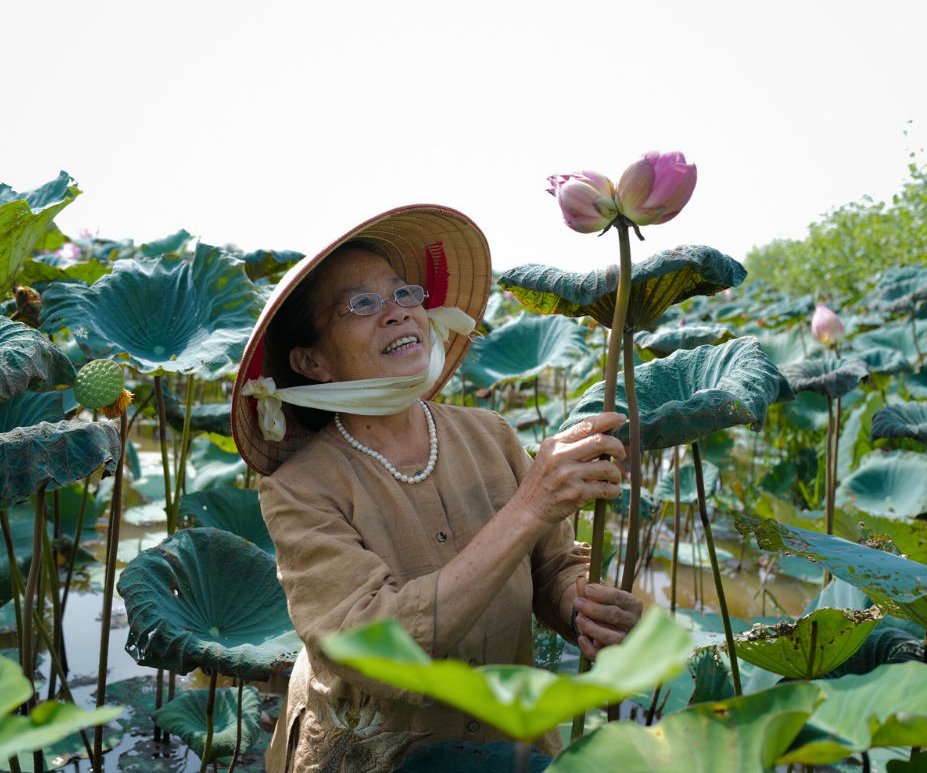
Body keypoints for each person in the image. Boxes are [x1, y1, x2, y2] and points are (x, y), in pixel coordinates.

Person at [230, 205, 643, 773]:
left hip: (510, 743)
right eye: (363, 304)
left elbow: (551, 567)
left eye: (404, 295)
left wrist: (580, 609)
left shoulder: (492, 435)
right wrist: (528, 506)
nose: (397, 314)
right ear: (312, 362)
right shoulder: (297, 488)